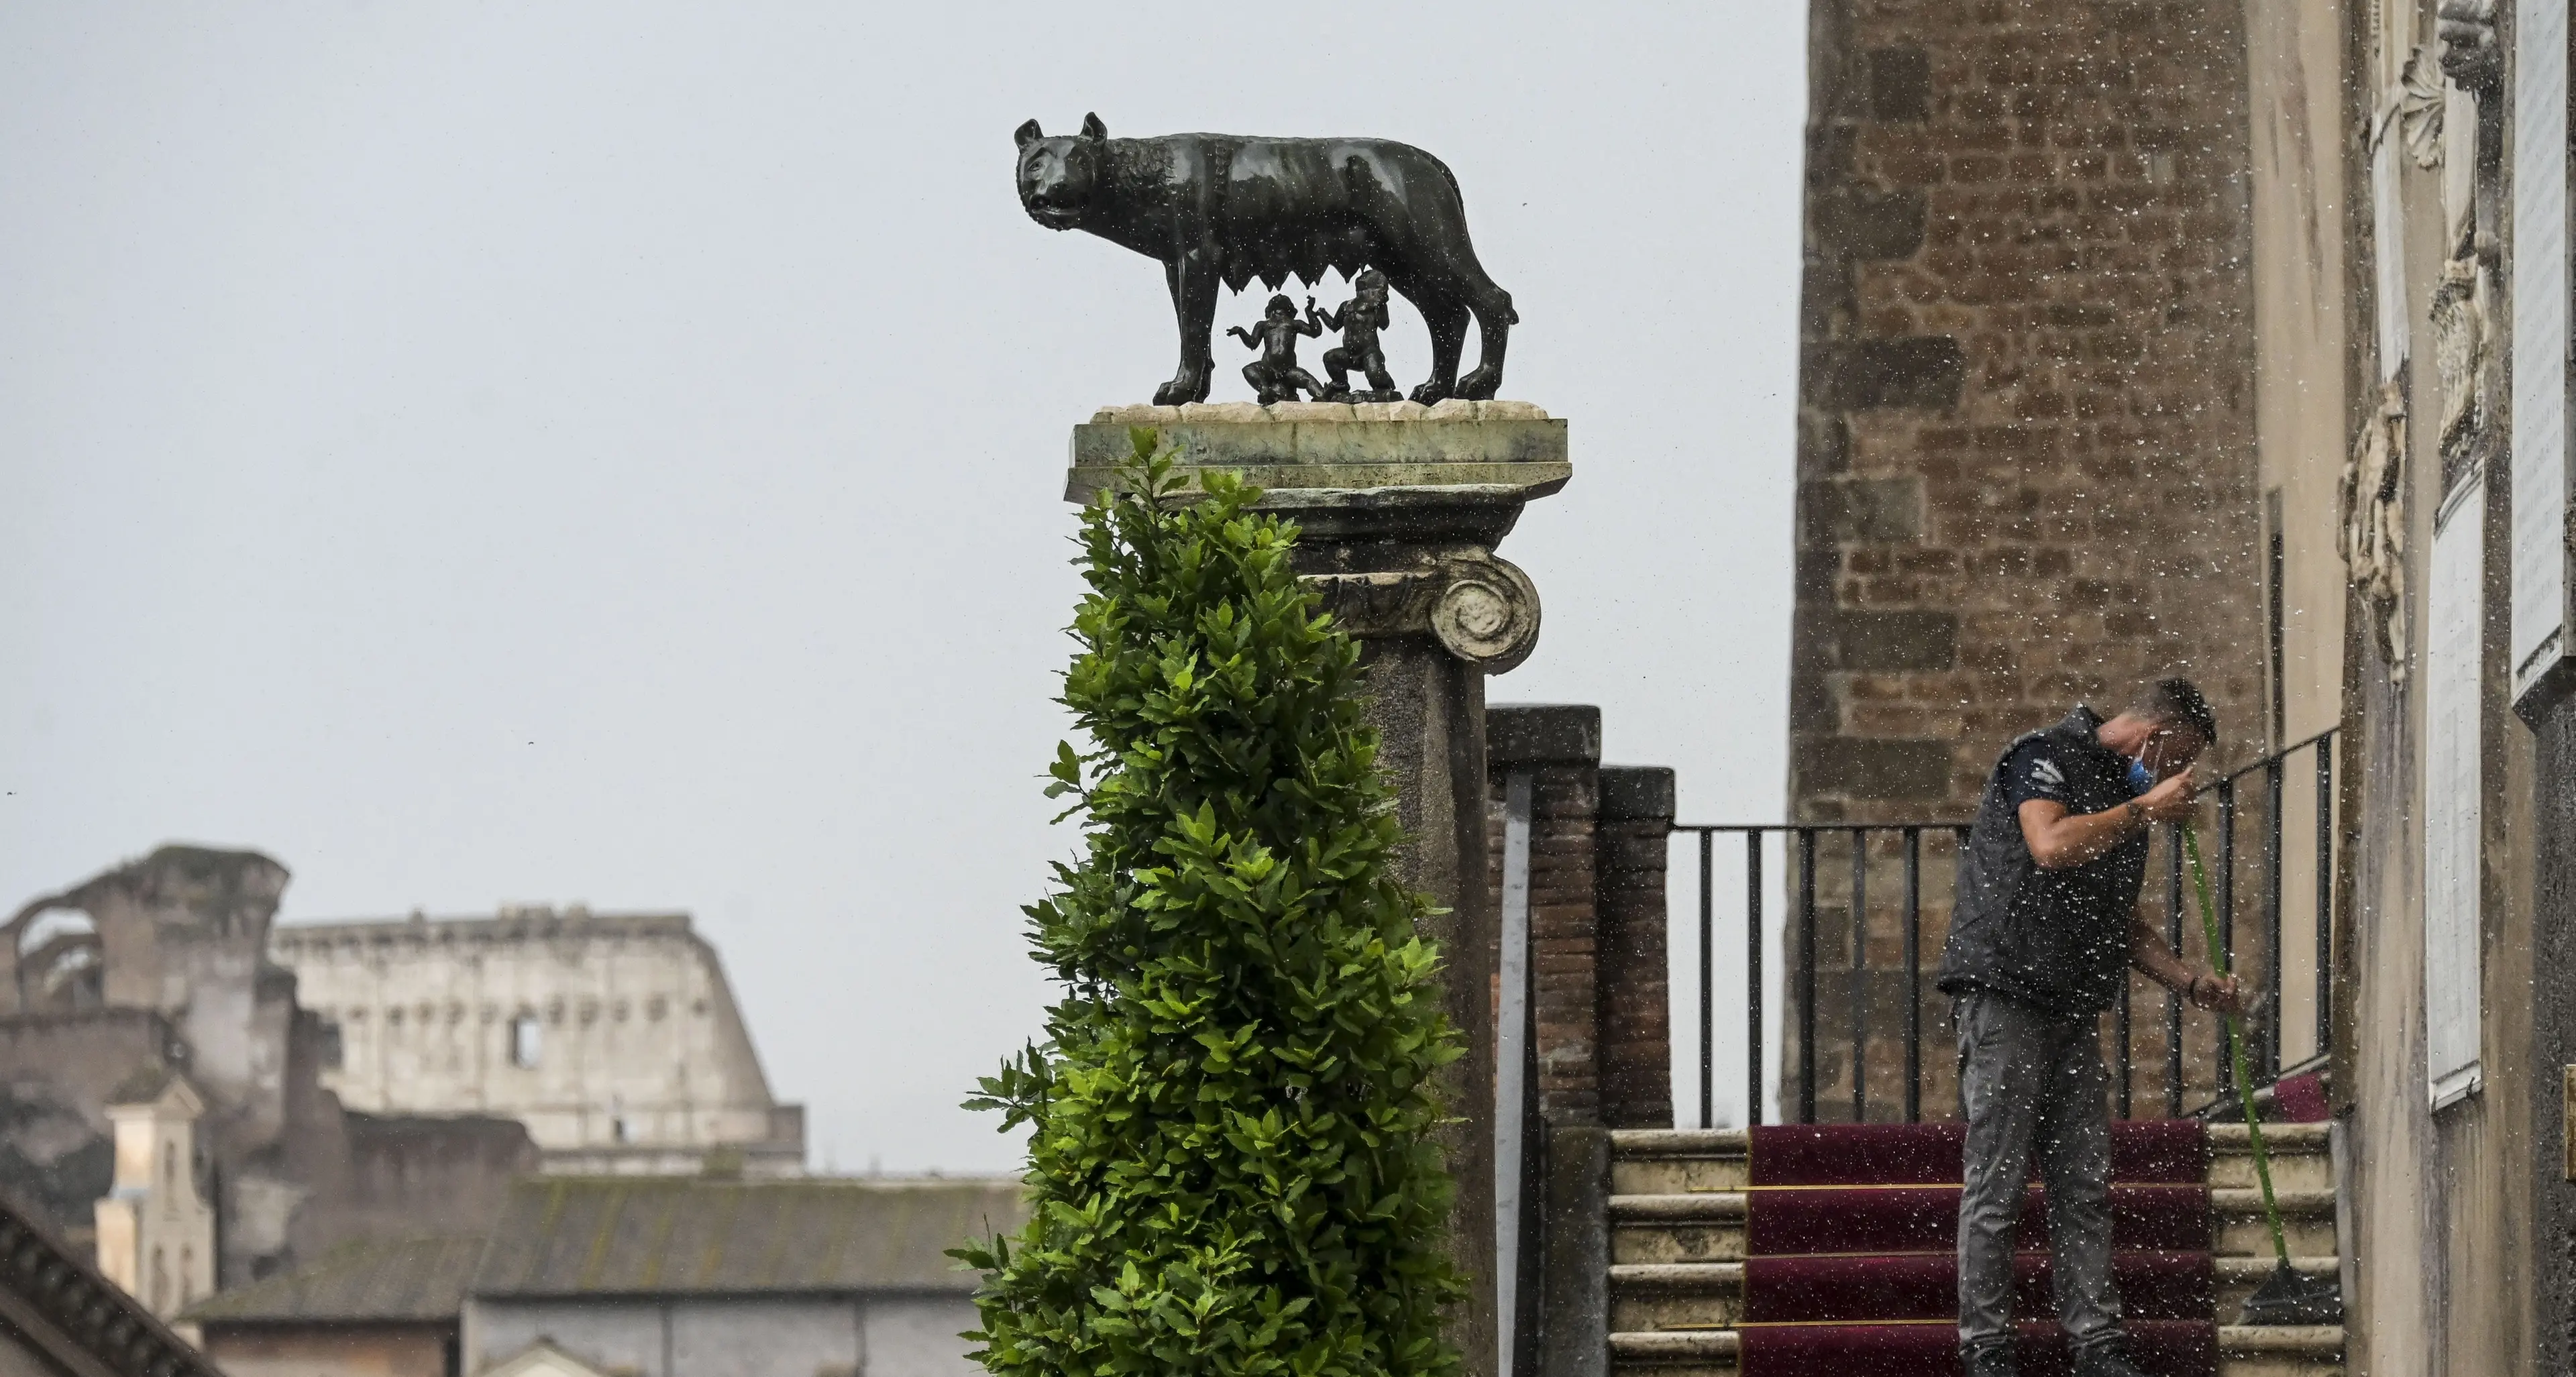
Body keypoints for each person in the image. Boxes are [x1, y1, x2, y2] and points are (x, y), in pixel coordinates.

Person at [1935, 678, 2251, 1377]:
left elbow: (2122, 924)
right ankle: (1986, 1348)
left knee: (2083, 1182)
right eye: (2178, 759)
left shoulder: (2122, 797)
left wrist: (2191, 982)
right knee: (1999, 1179)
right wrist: (2143, 808)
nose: (2174, 778)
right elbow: (2048, 844)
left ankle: (2098, 1343)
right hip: (2006, 993)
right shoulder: (2044, 754)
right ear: (2153, 735)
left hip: (2072, 1005)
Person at [1310, 268, 1400, 402]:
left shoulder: (1375, 305)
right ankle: (1341, 384)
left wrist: (1381, 305)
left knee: (1375, 376)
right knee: (1330, 357)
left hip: (1369, 353)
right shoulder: (1346, 306)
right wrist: (1322, 313)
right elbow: (1335, 326)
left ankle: (1385, 383)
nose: (1361, 292)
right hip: (1349, 354)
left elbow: (1384, 325)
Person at [1226, 294, 1324, 404]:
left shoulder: (1293, 323)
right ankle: (1265, 389)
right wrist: (1241, 332)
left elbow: (1315, 331)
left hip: (1288, 370)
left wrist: (1309, 311)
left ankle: (1321, 395)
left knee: (1307, 379)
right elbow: (1253, 343)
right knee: (1248, 369)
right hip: (1269, 368)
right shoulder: (1264, 325)